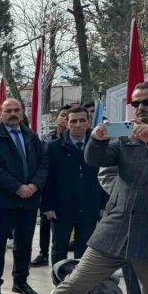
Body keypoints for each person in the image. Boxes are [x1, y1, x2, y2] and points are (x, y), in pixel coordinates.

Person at [21, 81, 148, 294]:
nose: (141, 108)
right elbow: (96, 160)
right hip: (114, 231)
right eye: (137, 104)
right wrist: (96, 139)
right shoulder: (126, 139)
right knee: (75, 283)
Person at [0, 98, 49, 294]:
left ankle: (20, 281)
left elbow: (44, 164)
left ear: (22, 112)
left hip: (29, 199)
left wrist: (33, 186)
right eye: (8, 110)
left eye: (16, 110)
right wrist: (17, 187)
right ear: (0, 114)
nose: (13, 113)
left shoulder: (31, 136)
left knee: (24, 242)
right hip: (2, 199)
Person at [40, 106, 107, 265]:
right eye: (73, 121)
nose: (78, 124)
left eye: (82, 120)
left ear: (89, 122)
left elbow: (106, 176)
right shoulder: (54, 147)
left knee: (85, 252)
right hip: (61, 209)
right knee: (59, 250)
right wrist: (47, 206)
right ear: (66, 123)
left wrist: (104, 204)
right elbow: (48, 178)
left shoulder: (100, 145)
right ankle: (60, 286)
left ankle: (81, 289)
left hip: (89, 207)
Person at [98, 165, 146, 294]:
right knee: (135, 284)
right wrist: (129, 198)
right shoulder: (125, 136)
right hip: (133, 221)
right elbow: (107, 173)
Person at [32, 106, 71, 266]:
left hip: (66, 188)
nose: (64, 119)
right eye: (62, 115)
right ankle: (43, 253)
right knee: (45, 224)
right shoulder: (47, 139)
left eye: (67, 116)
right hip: (47, 185)